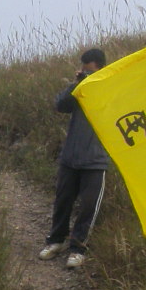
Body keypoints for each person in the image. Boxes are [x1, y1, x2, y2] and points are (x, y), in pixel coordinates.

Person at [39, 48, 110, 269]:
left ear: (101, 68)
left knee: (89, 206)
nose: (85, 74)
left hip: (96, 160)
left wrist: (97, 84)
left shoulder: (111, 88)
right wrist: (77, 85)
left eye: (89, 71)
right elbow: (60, 105)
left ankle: (78, 248)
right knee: (62, 201)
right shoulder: (80, 91)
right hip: (71, 157)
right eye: (83, 71)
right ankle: (56, 241)